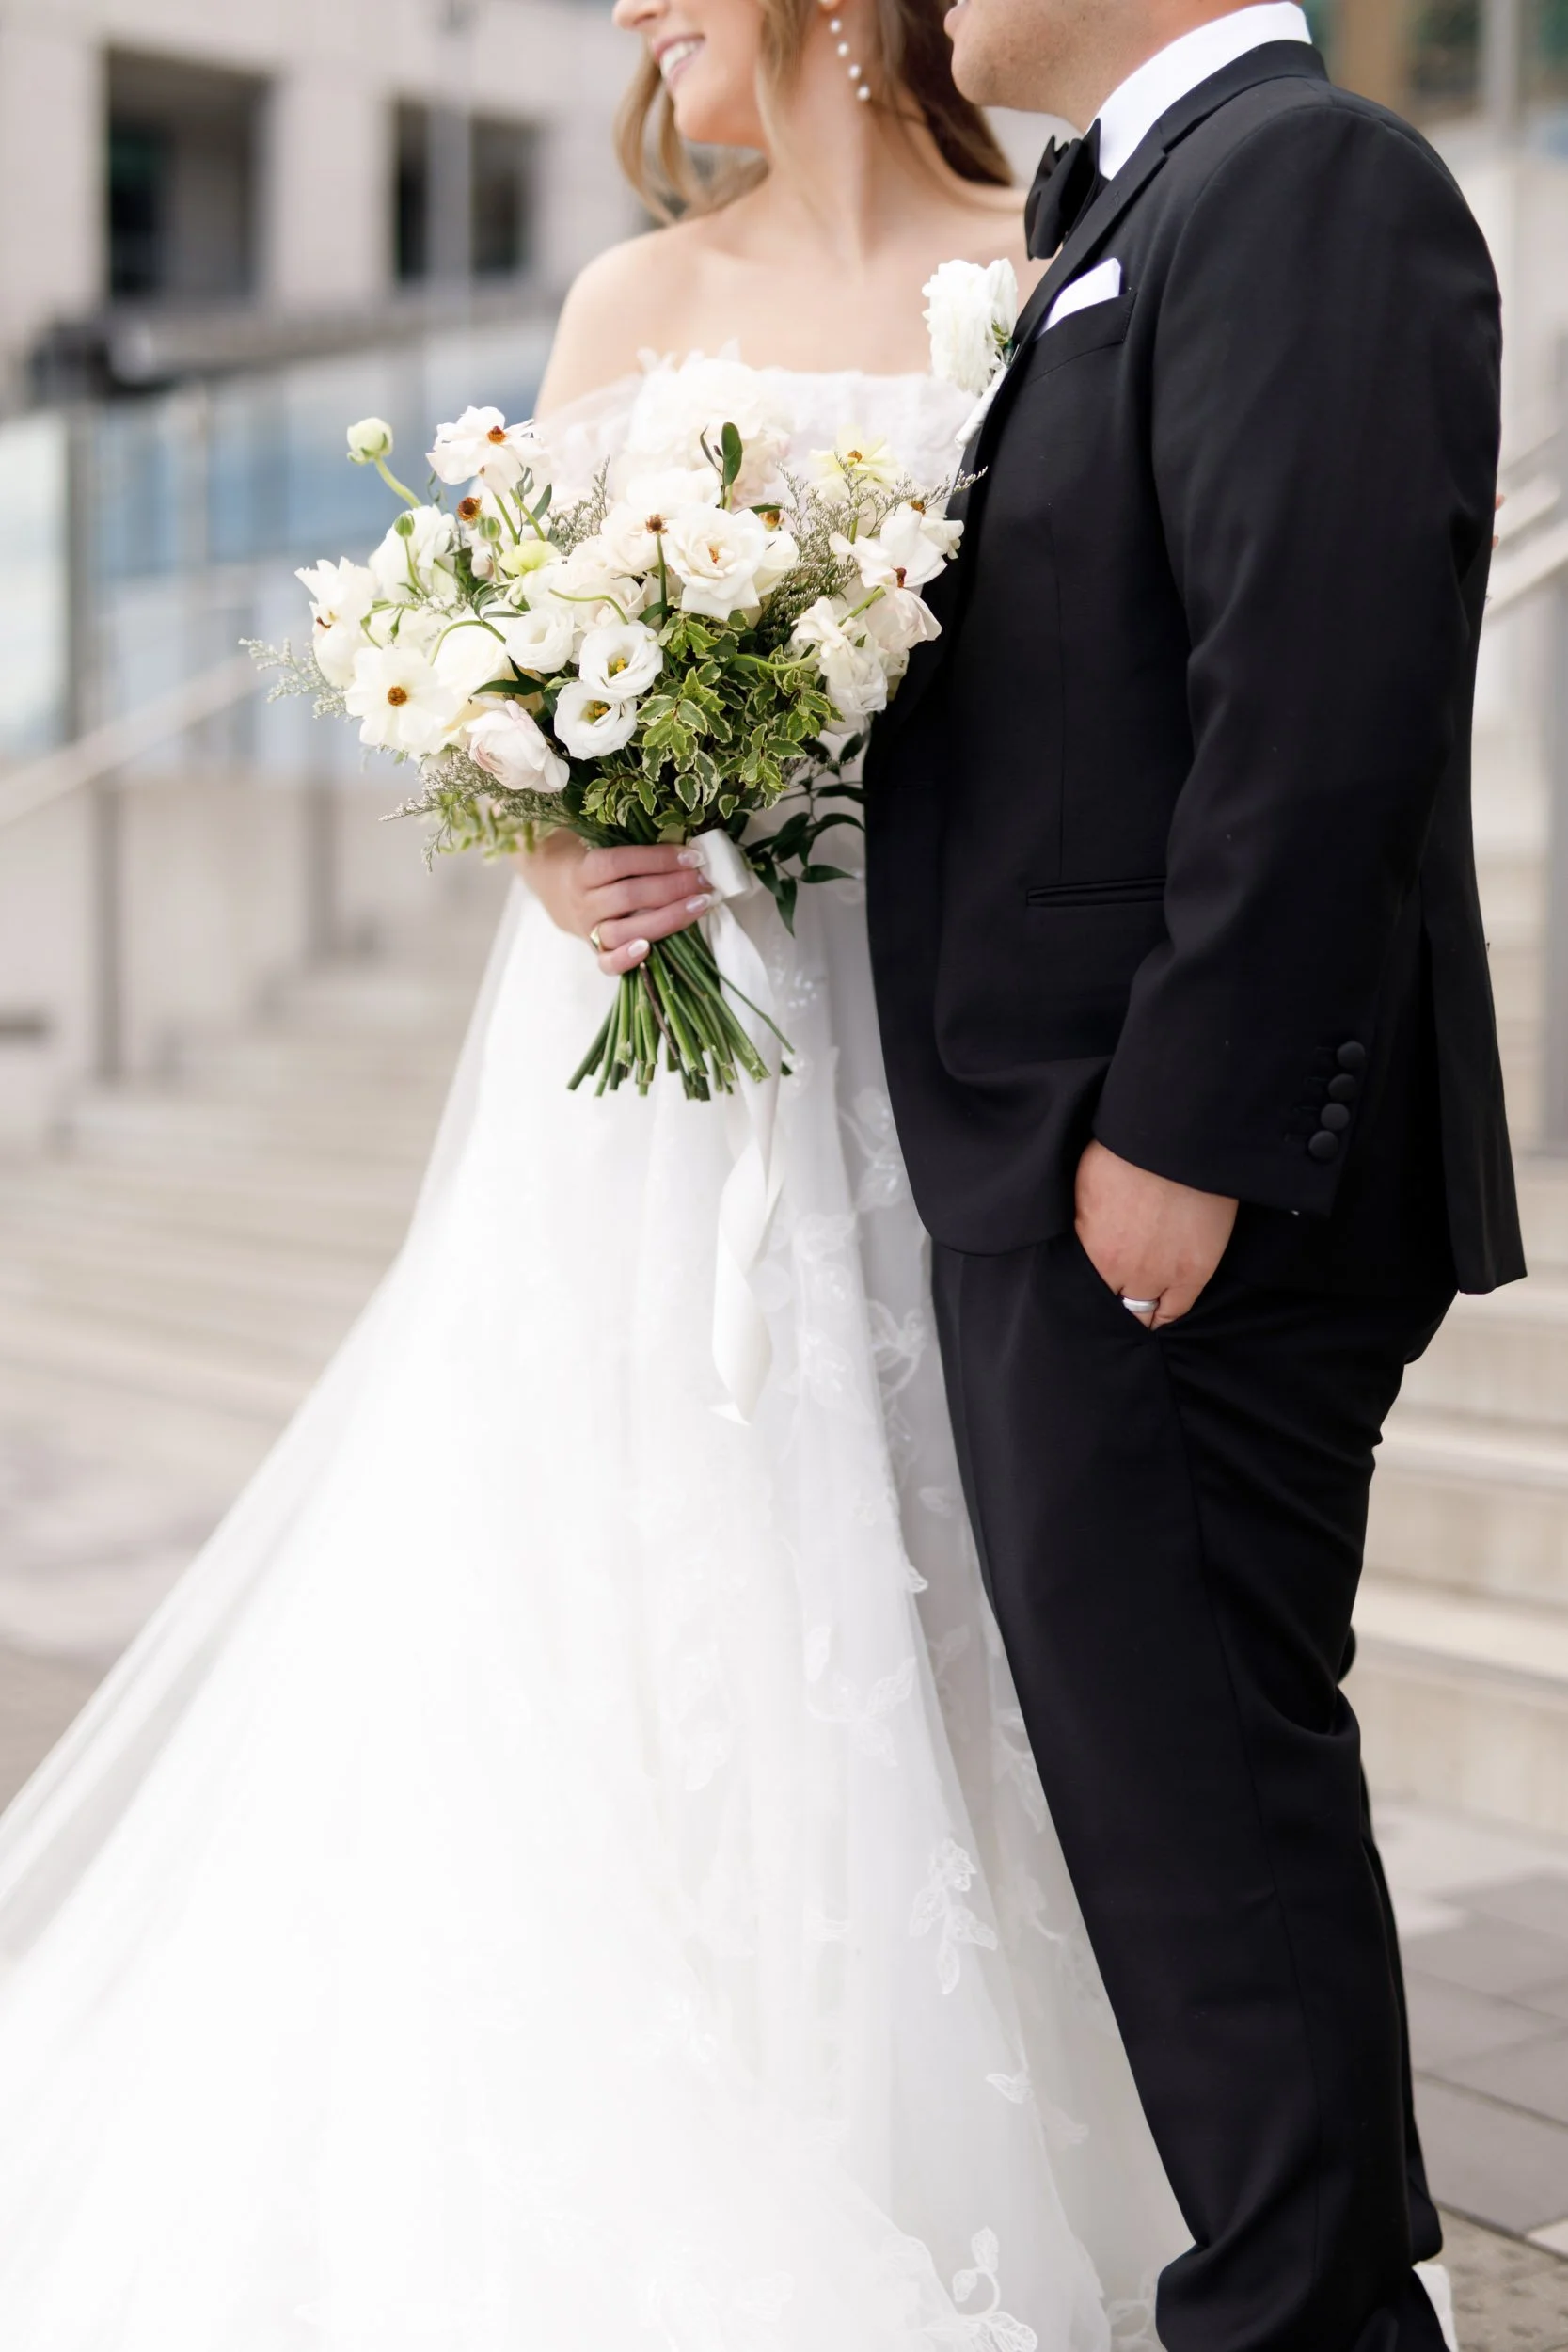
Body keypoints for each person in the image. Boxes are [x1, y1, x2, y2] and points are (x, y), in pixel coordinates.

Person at [0, 0, 1190, 2343]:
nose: (633, 19)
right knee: (629, 1575)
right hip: (641, 1078)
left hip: (930, 1035)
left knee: (944, 1601)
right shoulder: (626, 302)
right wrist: (554, 837)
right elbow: (515, 685)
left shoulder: (1039, 272)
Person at [864, 2, 1520, 2347]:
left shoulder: (1304, 181)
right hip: (1066, 1145)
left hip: (1165, 1168)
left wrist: (1182, 1129)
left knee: (1205, 1817)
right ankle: (1329, 2288)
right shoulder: (1119, 209)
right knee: (1183, 1815)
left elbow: (1320, 687)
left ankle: (1307, 2312)